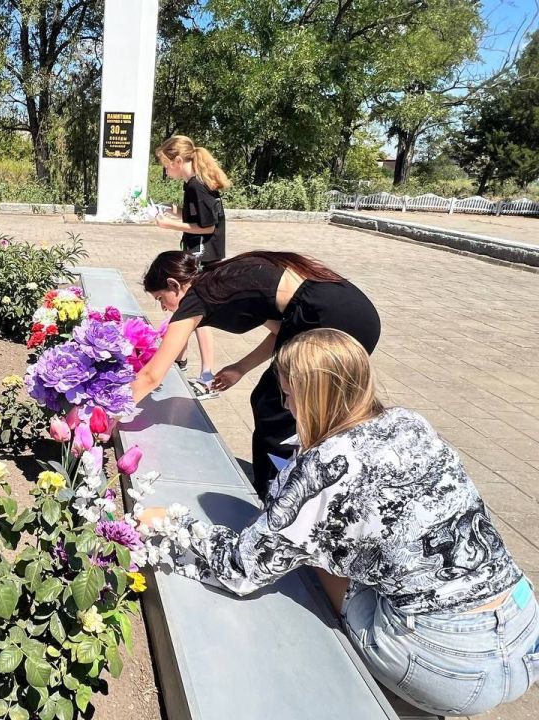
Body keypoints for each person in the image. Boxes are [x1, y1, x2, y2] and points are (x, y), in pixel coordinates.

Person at [139, 329, 538, 718]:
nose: (287, 404)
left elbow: (241, 571)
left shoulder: (322, 467)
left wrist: (173, 523)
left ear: (309, 395)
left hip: (446, 666)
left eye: (289, 394)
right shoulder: (409, 423)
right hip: (525, 627)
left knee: (313, 553)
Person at [133, 249, 380, 499]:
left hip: (332, 318)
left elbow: (152, 375)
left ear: (174, 284)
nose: (164, 308)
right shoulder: (220, 279)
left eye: (161, 298)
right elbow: (282, 330)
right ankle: (308, 481)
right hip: (350, 311)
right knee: (290, 406)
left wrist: (112, 413)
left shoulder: (199, 295)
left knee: (276, 409)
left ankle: (277, 496)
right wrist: (240, 368)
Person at [151, 135, 231, 393]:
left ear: (177, 160)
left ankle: (206, 374)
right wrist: (174, 211)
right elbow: (197, 215)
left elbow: (207, 227)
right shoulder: (192, 184)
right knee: (189, 310)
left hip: (204, 256)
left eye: (166, 164)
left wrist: (169, 224)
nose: (165, 169)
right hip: (199, 253)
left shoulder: (197, 184)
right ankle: (180, 362)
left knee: (198, 313)